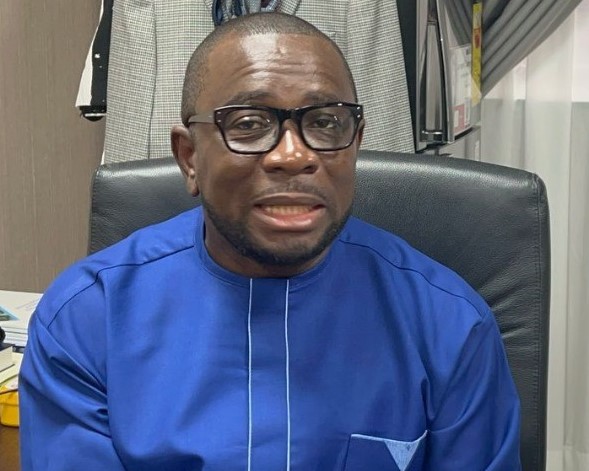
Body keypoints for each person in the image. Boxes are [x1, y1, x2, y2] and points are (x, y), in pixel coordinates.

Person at [19, 12, 521, 471]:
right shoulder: (87, 319)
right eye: (249, 124)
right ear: (189, 157)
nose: (293, 155)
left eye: (325, 122)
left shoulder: (450, 325)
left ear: (357, 143)